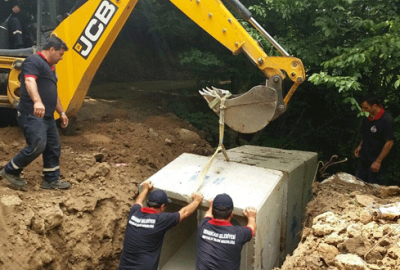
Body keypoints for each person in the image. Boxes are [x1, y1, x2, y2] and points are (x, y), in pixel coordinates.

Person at [0, 36, 71, 190]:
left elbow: (54, 93)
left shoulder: (51, 68)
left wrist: (62, 112)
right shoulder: (33, 61)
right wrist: (37, 102)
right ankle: (10, 170)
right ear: (51, 49)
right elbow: (29, 81)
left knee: (53, 146)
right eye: (60, 54)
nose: (61, 58)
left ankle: (51, 180)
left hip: (48, 116)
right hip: (32, 113)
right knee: (38, 144)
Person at [118, 181, 204, 270]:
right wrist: (197, 201)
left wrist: (145, 189)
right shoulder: (161, 220)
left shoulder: (134, 212)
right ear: (162, 206)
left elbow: (139, 200)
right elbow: (184, 213)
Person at [195, 193, 257, 270]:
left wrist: (211, 206)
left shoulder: (203, 226)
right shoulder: (238, 233)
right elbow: (252, 228)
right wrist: (251, 217)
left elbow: (208, 215)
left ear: (213, 212)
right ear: (231, 214)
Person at [354, 94, 394, 185]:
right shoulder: (368, 117)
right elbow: (366, 134)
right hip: (364, 160)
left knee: (374, 190)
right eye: (362, 108)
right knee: (357, 185)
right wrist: (360, 146)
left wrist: (378, 161)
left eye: (366, 108)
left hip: (376, 162)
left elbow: (389, 143)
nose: (363, 110)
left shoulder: (386, 120)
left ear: (375, 106)